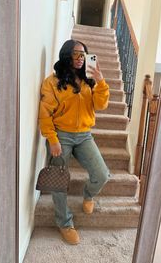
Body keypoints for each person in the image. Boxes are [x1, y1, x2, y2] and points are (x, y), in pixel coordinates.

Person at [38, 39, 110, 245]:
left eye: (83, 54)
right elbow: (45, 114)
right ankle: (64, 223)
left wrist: (101, 82)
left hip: (85, 135)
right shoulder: (51, 82)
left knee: (101, 174)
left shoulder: (89, 79)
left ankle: (88, 194)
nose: (80, 58)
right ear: (66, 55)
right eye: (76, 54)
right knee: (59, 181)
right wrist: (52, 139)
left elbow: (101, 105)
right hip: (61, 135)